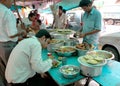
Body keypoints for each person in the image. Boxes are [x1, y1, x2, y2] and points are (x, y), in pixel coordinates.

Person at [0, 0, 26, 86]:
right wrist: (21, 32)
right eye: (10, 0)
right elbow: (11, 34)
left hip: (1, 45)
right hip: (8, 46)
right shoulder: (7, 12)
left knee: (3, 71)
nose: (11, 2)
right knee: (12, 72)